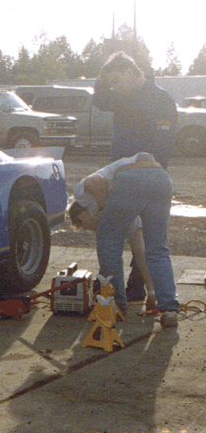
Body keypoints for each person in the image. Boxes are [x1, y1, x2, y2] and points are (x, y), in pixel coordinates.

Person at [92, 51, 178, 304]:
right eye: (111, 83)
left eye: (117, 79)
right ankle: (163, 302)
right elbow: (99, 100)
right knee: (153, 243)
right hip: (155, 178)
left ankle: (114, 302)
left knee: (109, 236)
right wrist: (105, 73)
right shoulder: (124, 98)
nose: (114, 87)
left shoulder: (158, 99)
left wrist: (143, 170)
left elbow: (162, 142)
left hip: (136, 175)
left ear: (131, 71)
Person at [68, 152, 181, 328]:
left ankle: (116, 305)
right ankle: (169, 309)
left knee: (107, 240)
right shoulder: (127, 213)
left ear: (81, 213)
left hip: (131, 177)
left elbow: (93, 182)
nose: (90, 228)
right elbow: (140, 251)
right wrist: (151, 292)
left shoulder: (82, 196)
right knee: (157, 249)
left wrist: (103, 209)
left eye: (84, 224)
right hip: (160, 178)